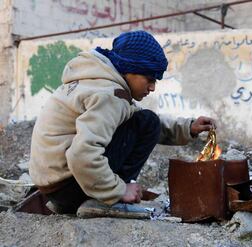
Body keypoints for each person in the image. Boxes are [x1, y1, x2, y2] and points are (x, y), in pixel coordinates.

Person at [28, 31, 215, 214]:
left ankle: (86, 198)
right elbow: (81, 154)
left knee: (142, 121)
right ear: (128, 69)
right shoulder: (109, 95)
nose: (152, 87)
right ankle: (102, 199)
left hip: (54, 187)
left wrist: (188, 127)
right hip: (71, 184)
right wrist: (119, 189)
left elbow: (133, 118)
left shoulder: (95, 81)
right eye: (149, 79)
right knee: (147, 122)